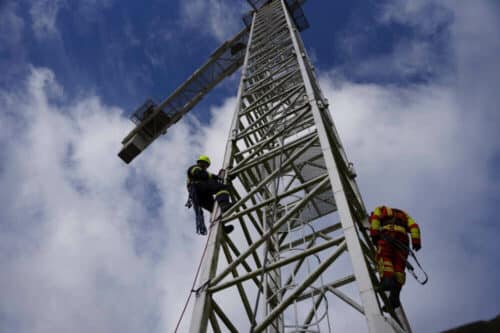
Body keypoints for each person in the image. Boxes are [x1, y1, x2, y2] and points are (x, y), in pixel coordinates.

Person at [369, 205, 421, 310]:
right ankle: (395, 296)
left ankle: (387, 280)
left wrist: (374, 233)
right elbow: (414, 226)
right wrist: (416, 240)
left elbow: (375, 219)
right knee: (399, 265)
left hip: (388, 235)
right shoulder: (403, 214)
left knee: (384, 256)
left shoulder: (379, 209)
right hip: (403, 241)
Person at [186, 155, 234, 234]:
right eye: (205, 165)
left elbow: (207, 175)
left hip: (200, 197)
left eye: (207, 166)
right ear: (201, 163)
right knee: (221, 188)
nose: (206, 167)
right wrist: (215, 178)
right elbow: (202, 175)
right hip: (198, 188)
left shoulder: (203, 171)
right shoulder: (194, 168)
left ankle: (222, 227)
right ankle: (224, 204)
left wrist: (216, 177)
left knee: (214, 209)